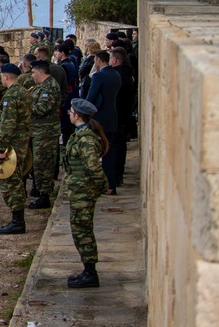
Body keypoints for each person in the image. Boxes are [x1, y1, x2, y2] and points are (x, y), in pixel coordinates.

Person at [64, 98, 110, 289]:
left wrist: (102, 186)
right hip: (78, 190)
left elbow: (93, 167)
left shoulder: (86, 139)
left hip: (83, 191)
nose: (68, 113)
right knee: (79, 229)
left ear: (77, 115)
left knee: (83, 231)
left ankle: (90, 272)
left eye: (71, 111)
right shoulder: (80, 135)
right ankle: (88, 270)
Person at [0, 63, 33, 234]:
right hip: (23, 140)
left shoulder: (11, 96)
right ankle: (18, 218)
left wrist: (2, 149)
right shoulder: (24, 92)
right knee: (18, 179)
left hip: (13, 144)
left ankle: (18, 220)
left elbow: (8, 123)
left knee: (11, 182)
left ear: (5, 76)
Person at [86, 50, 121, 194]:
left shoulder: (99, 76)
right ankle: (111, 184)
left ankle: (104, 185)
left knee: (96, 152)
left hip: (99, 119)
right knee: (109, 152)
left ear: (99, 60)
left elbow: (91, 97)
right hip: (112, 117)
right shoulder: (116, 75)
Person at [28, 61, 62, 210]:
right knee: (38, 164)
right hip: (38, 131)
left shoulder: (50, 87)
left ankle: (45, 196)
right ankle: (40, 190)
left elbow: (42, 108)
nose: (32, 76)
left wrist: (24, 106)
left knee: (44, 165)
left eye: (33, 73)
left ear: (40, 72)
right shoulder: (40, 87)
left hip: (46, 132)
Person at [109, 47, 136, 187]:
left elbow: (116, 98)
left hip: (118, 116)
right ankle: (117, 175)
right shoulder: (126, 72)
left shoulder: (119, 76)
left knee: (116, 147)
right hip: (123, 115)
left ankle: (116, 176)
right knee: (119, 147)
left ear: (115, 60)